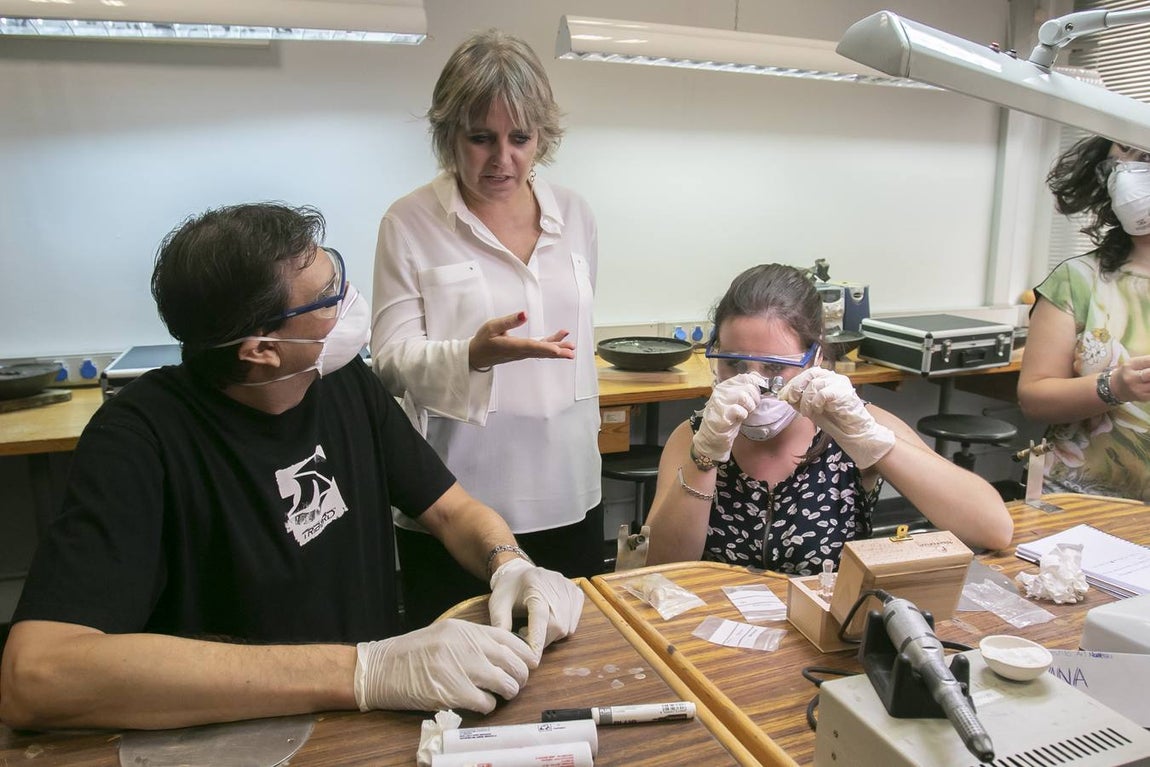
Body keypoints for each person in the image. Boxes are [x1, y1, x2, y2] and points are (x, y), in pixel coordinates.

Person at [0, 203, 584, 732]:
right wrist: (364, 670)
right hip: (249, 734)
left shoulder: (344, 383)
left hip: (375, 724)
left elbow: (451, 508)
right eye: (328, 299)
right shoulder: (139, 439)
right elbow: (37, 677)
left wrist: (508, 563)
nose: (348, 304)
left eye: (335, 275)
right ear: (261, 348)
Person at [371, 30, 602, 628]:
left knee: (574, 656)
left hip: (567, 485)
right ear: (448, 136)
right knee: (463, 672)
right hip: (456, 497)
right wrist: (469, 355)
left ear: (542, 137)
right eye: (481, 139)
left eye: (520, 138)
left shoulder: (574, 214)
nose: (503, 159)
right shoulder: (410, 221)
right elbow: (390, 358)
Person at [644, 264, 1014, 571]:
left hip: (821, 638)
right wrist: (705, 457)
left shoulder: (855, 428)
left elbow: (993, 530)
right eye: (734, 364)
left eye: (775, 367)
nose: (752, 383)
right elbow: (659, 565)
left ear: (815, 358)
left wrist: (871, 442)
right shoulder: (693, 437)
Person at [1019, 137, 1150, 502]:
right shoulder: (1076, 281)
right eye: (1117, 164)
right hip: (1080, 499)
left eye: (1145, 158)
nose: (1128, 174)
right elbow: (1034, 398)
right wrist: (1115, 387)